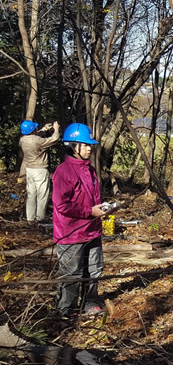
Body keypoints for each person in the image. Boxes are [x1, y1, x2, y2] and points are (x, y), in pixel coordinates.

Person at [51, 123, 107, 316]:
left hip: (92, 230)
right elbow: (62, 205)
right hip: (71, 233)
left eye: (90, 145)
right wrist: (89, 212)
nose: (90, 148)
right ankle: (65, 310)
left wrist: (100, 210)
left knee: (94, 269)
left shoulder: (89, 170)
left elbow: (92, 198)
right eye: (85, 145)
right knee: (71, 274)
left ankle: (90, 303)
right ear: (73, 146)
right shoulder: (63, 172)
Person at [19, 120, 61, 222]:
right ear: (33, 130)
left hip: (29, 170)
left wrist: (44, 129)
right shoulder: (38, 141)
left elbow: (33, 137)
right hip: (40, 170)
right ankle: (40, 219)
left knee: (31, 195)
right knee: (42, 196)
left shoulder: (22, 140)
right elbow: (54, 139)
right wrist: (56, 129)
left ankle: (30, 219)